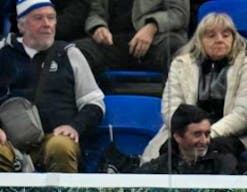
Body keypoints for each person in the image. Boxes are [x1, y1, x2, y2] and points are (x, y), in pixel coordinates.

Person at [0, 0, 105, 173]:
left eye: (51, 18)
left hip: (56, 137)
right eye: (38, 18)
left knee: (61, 146)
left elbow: (94, 102)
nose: (47, 24)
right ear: (21, 25)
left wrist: (74, 126)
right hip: (10, 143)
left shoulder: (69, 53)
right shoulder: (3, 53)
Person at [140, 12, 247, 163]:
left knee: (219, 152)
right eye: (211, 35)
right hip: (184, 133)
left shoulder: (246, 65)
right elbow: (170, 107)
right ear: (199, 40)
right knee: (167, 151)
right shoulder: (181, 64)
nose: (219, 40)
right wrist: (188, 132)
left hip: (227, 134)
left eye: (226, 35)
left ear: (234, 39)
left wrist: (207, 134)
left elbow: (242, 114)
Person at [76, 0, 189, 76]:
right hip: (114, 42)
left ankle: (175, 108)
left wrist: (152, 27)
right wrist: (99, 27)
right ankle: (96, 104)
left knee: (177, 51)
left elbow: (179, 13)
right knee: (77, 51)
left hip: (157, 40)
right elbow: (95, 13)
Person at [139, 103, 238, 173]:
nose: (204, 141)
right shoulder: (159, 168)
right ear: (178, 137)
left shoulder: (224, 165)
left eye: (207, 134)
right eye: (197, 134)